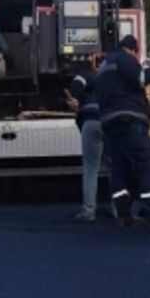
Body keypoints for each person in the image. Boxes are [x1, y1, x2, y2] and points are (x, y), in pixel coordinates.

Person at [94, 35, 150, 229]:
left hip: (109, 122)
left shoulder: (103, 67)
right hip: (129, 119)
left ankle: (123, 213)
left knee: (119, 167)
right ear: (133, 50)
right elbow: (140, 79)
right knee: (146, 162)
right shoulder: (125, 59)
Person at [65, 63, 102, 222]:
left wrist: (74, 99)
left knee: (90, 168)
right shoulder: (112, 80)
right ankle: (119, 209)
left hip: (91, 121)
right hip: (110, 122)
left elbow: (75, 87)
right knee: (116, 167)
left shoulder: (87, 75)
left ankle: (89, 211)